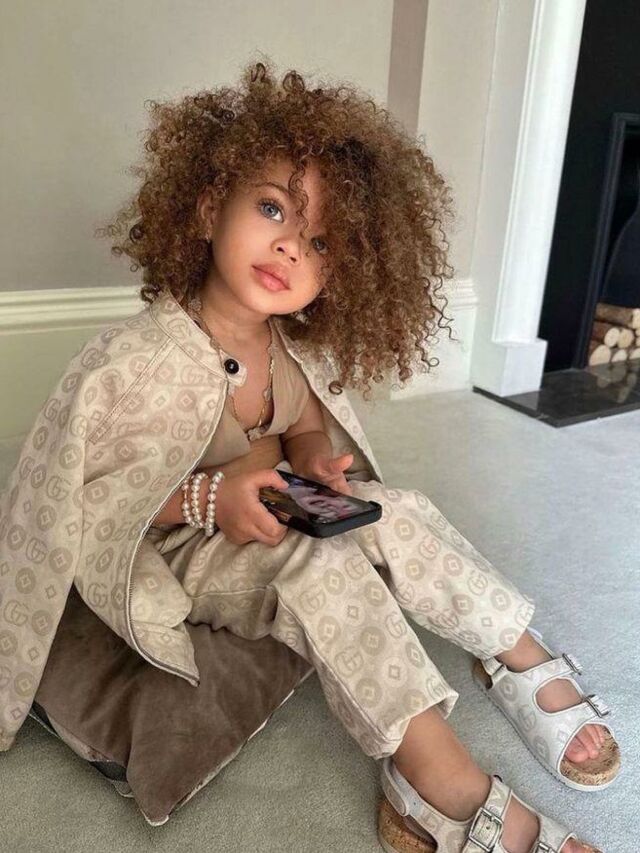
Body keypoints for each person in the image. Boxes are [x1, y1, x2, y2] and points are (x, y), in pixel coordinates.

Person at [2, 59, 619, 851]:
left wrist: (319, 463)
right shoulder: (136, 359)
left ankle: (512, 648)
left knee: (395, 510)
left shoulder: (286, 351)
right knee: (322, 569)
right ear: (207, 206)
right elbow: (84, 501)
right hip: (184, 546)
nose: (290, 246)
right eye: (272, 208)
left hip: (280, 507)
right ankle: (433, 776)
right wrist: (208, 500)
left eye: (320, 240)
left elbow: (300, 428)